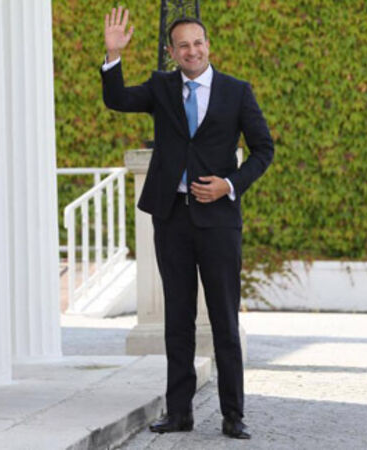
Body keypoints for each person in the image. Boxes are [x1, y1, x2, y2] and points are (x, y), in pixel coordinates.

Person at [101, 7, 274, 439]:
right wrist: (113, 55)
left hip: (219, 221)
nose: (192, 51)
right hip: (172, 217)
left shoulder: (237, 91)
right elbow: (117, 99)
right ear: (172, 52)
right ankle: (179, 412)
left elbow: (264, 150)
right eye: (183, 46)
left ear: (208, 46)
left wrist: (229, 185)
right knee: (176, 319)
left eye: (198, 43)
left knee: (223, 319)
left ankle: (233, 414)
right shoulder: (161, 87)